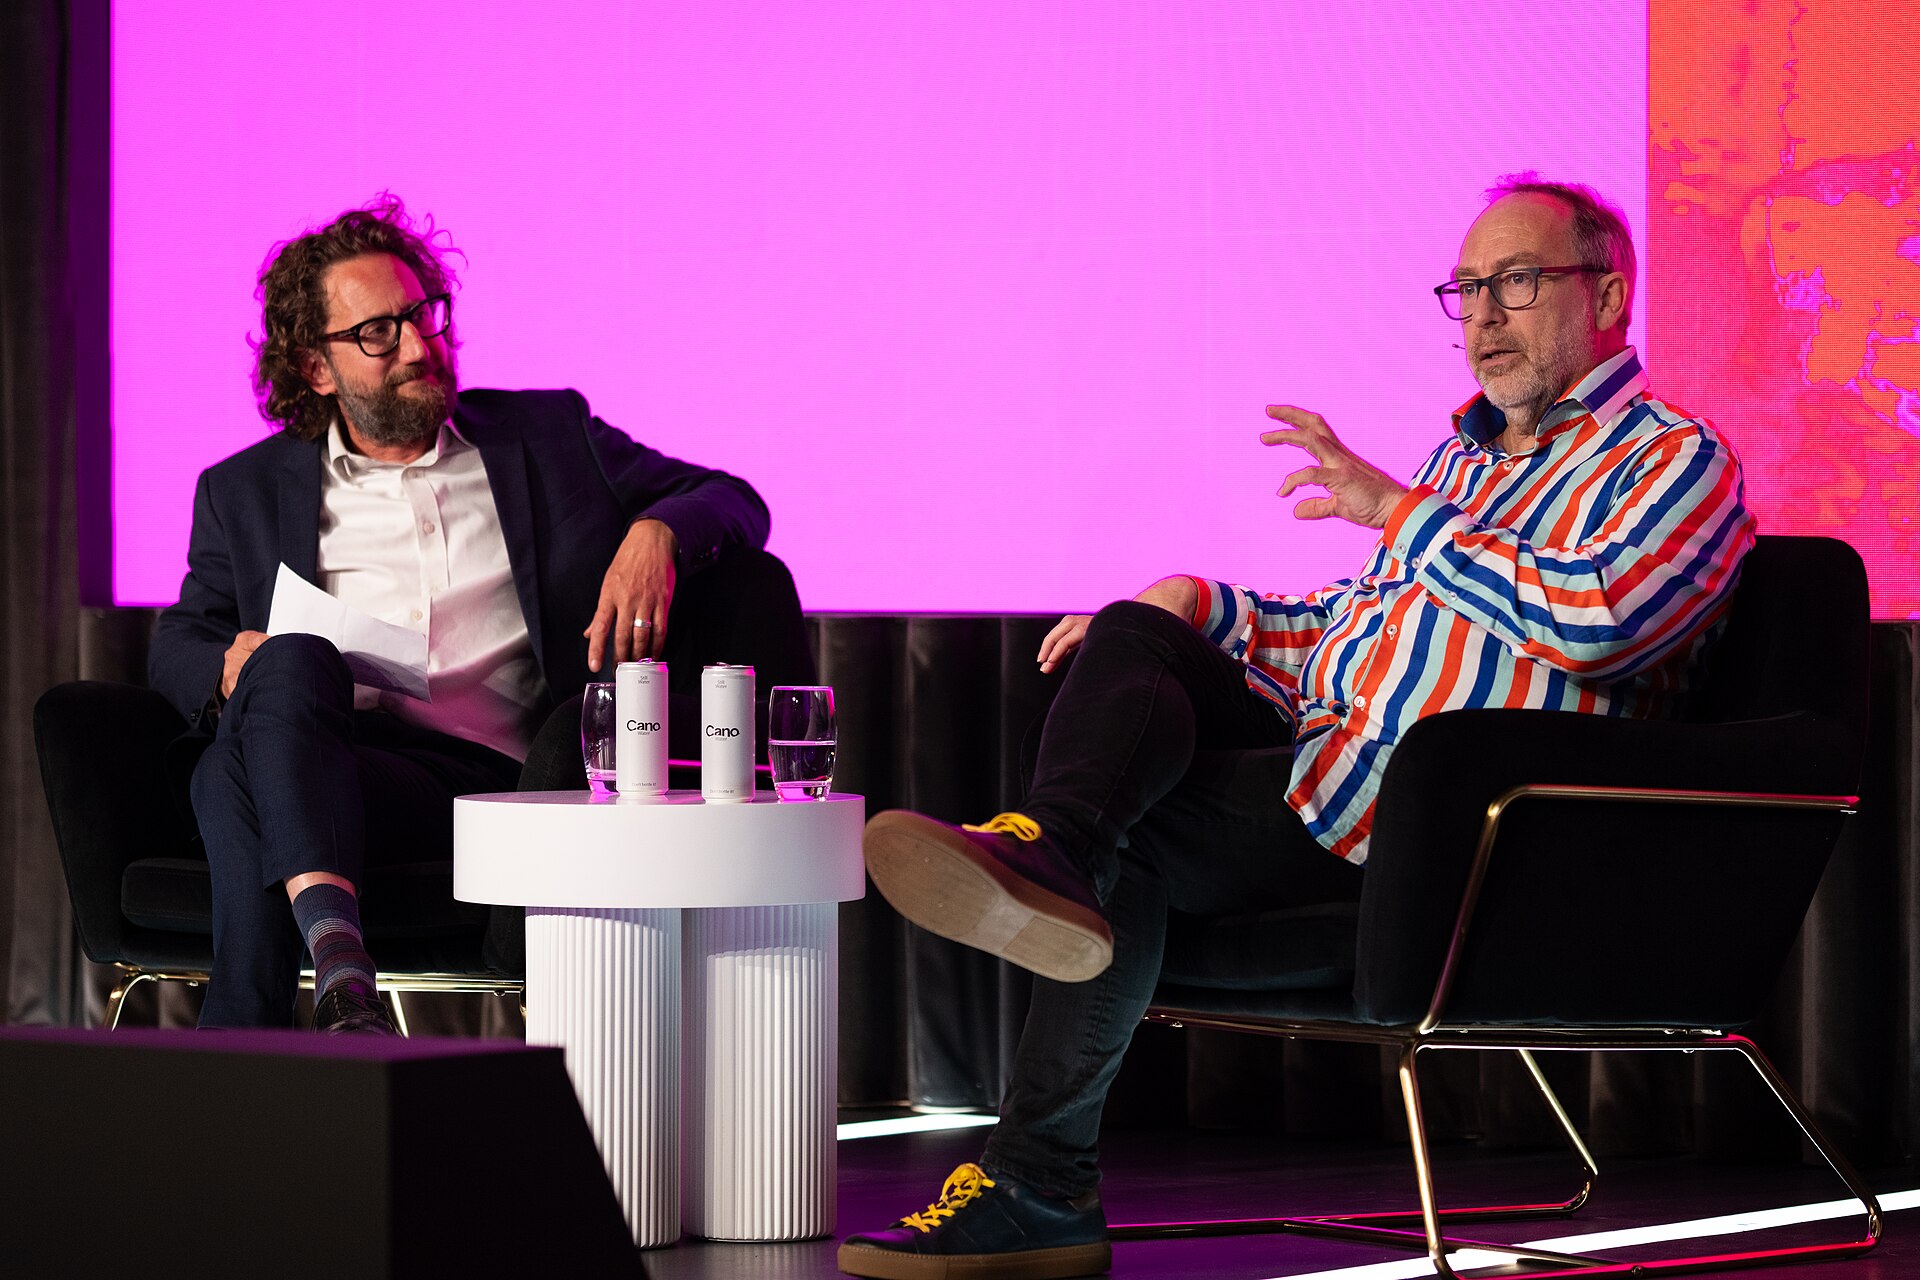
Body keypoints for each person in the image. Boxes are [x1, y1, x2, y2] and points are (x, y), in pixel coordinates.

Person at [841, 176, 1757, 1280]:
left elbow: (1604, 621)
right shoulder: (1465, 463)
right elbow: (1353, 634)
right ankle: (1054, 894)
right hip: (1341, 785)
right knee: (1143, 638)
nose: (1482, 316)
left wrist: (1402, 513)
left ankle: (1042, 1154)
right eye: (1465, 290)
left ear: (1608, 292)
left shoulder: (1675, 458)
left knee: (1118, 843)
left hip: (1468, 844)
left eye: (1515, 281)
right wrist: (1200, 607)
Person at [149, 195, 772, 1034]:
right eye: (378, 332)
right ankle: (342, 981)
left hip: (493, 782)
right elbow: (179, 640)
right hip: (340, 762)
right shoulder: (243, 491)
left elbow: (733, 499)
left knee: (228, 776)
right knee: (286, 666)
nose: (418, 345)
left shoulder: (548, 437)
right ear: (315, 370)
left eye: (424, 314)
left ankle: (248, 1038)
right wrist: (231, 662)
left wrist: (658, 531)